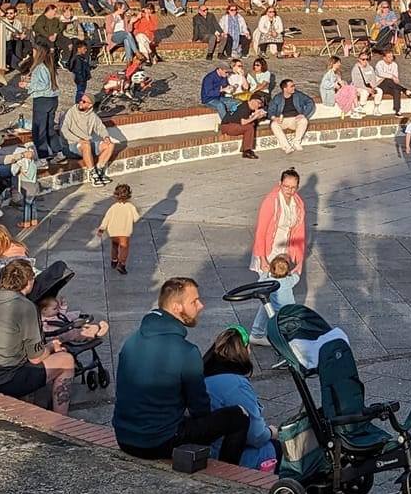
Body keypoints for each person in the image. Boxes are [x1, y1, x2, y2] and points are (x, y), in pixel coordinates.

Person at [113, 277, 252, 463]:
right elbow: (199, 408)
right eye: (194, 301)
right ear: (177, 307)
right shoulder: (187, 351)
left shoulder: (131, 341)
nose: (201, 305)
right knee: (239, 416)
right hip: (158, 443)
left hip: (124, 438)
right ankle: (226, 474)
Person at [0, 260, 74, 408]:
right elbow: (36, 358)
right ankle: (62, 423)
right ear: (29, 282)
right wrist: (51, 346)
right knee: (66, 361)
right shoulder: (26, 307)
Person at [201, 327, 279, 471]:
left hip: (204, 448)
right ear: (246, 350)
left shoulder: (204, 375)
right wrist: (271, 432)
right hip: (224, 454)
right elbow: (255, 435)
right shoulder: (236, 385)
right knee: (275, 448)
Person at [250, 169, 308, 331]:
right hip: (269, 251)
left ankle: (258, 331)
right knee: (269, 291)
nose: (289, 191)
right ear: (280, 184)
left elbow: (300, 233)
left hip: (285, 252)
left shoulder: (298, 203)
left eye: (293, 187)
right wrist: (262, 258)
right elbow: (261, 230)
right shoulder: (271, 201)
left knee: (269, 294)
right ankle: (260, 331)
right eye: (286, 186)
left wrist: (299, 260)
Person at [59, 93, 116, 184]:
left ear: (90, 105)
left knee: (110, 145)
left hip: (86, 144)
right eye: (81, 100)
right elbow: (64, 130)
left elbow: (100, 128)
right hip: (70, 146)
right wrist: (78, 140)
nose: (81, 102)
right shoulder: (70, 112)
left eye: (84, 101)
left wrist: (106, 137)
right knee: (86, 144)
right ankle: (92, 174)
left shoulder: (92, 116)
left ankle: (99, 170)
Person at [99, 183, 138, 275]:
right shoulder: (131, 207)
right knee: (124, 248)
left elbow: (106, 218)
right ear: (129, 195)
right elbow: (136, 218)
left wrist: (102, 228)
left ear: (116, 195)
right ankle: (122, 264)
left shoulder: (113, 207)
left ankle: (114, 260)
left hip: (113, 232)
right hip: (124, 231)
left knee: (115, 245)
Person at [269, 76, 314, 153]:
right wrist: (274, 118)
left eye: (294, 86)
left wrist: (304, 114)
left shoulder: (298, 95)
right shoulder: (277, 98)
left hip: (295, 119)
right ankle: (287, 146)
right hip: (283, 120)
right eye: (291, 86)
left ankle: (296, 142)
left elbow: (310, 102)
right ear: (285, 89)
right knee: (274, 124)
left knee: (304, 120)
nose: (294, 87)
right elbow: (270, 110)